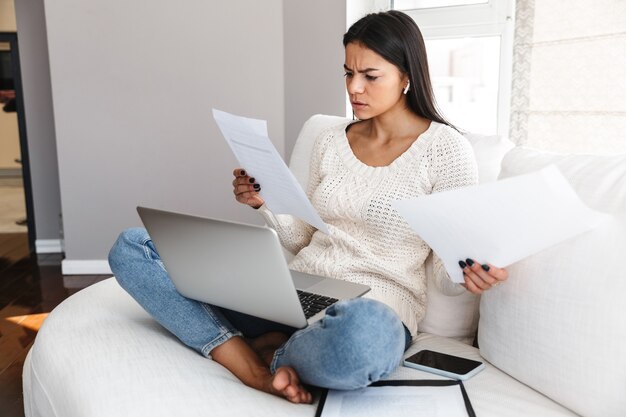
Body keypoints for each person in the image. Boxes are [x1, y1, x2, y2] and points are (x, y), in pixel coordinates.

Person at [109, 10, 508, 404]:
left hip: (372, 306)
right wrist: (265, 203)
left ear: (407, 76)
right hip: (295, 290)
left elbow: (443, 271)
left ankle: (279, 351)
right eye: (348, 73)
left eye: (370, 76)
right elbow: (303, 238)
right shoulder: (331, 139)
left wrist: (467, 272)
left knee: (365, 336)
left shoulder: (446, 150)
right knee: (134, 245)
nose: (355, 88)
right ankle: (247, 362)